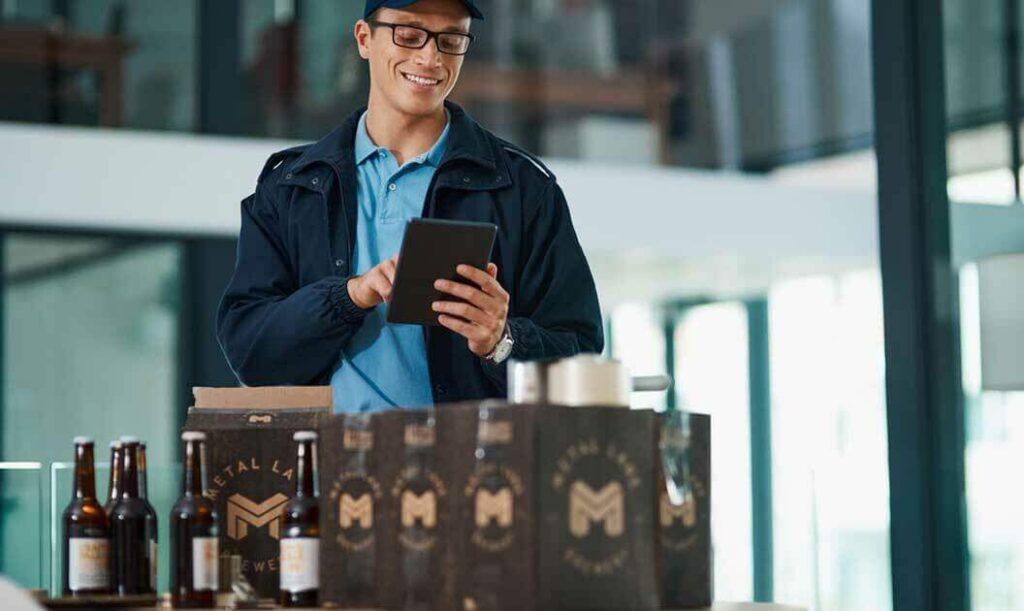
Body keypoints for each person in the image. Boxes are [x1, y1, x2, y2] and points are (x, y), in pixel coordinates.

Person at [216, 0, 603, 412]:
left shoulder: (522, 189)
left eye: (451, 39)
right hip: (333, 468)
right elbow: (251, 355)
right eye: (410, 34)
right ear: (364, 39)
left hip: (469, 469)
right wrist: (349, 297)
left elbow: (581, 363)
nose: (431, 57)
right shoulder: (291, 187)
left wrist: (501, 341)